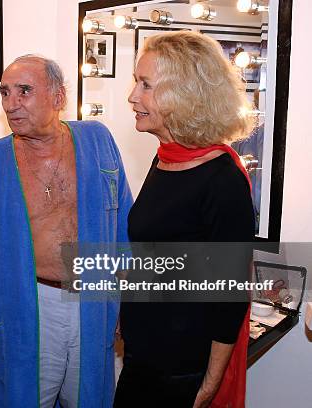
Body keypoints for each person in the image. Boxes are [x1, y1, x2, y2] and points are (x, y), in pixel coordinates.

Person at [0, 55, 133, 407]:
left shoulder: (97, 140)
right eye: (4, 93)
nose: (11, 104)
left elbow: (123, 225)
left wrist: (128, 303)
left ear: (58, 97)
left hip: (92, 304)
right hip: (28, 305)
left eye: (24, 91)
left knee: (90, 398)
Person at [114, 31, 254, 408]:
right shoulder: (164, 159)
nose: (132, 97)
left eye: (146, 85)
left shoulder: (223, 179)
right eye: (135, 83)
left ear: (184, 95)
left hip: (182, 370)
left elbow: (230, 293)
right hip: (143, 355)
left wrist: (210, 382)